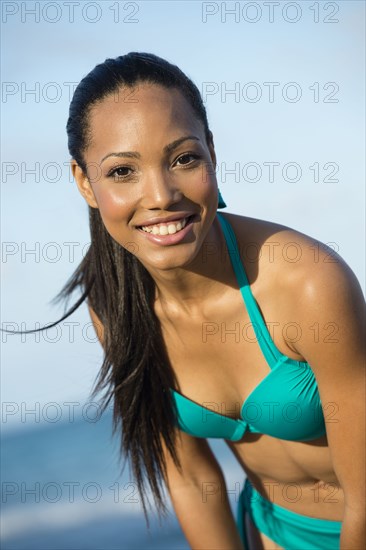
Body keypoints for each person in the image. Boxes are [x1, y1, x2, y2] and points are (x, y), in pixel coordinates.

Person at [4, 52, 365, 549]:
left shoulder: (307, 282)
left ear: (211, 154)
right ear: (85, 182)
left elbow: (363, 496)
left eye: (183, 159)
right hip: (275, 530)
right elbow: (191, 479)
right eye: (123, 171)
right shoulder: (115, 306)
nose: (160, 195)